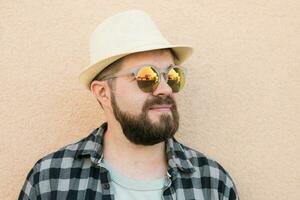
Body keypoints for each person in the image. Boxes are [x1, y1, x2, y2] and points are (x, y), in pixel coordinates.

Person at [19, 10, 239, 200]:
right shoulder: (51, 180)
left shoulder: (212, 183)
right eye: (146, 76)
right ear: (103, 92)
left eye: (172, 75)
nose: (165, 89)